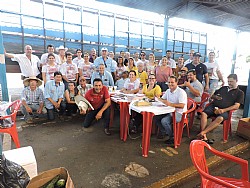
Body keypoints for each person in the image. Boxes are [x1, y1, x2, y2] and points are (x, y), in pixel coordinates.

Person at [197, 74, 244, 143]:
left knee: (220, 118)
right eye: (228, 81)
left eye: (231, 81)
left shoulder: (240, 93)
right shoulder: (223, 88)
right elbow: (212, 96)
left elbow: (236, 106)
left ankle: (203, 132)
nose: (229, 83)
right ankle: (204, 134)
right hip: (214, 106)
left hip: (225, 110)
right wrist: (216, 97)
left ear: (236, 81)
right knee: (203, 113)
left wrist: (223, 110)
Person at [154, 76, 187, 144]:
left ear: (176, 82)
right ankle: (165, 131)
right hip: (169, 111)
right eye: (169, 82)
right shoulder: (168, 90)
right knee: (155, 117)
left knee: (164, 121)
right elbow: (163, 99)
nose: (170, 84)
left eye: (172, 82)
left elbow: (182, 105)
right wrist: (158, 98)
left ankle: (172, 137)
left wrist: (170, 104)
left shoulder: (181, 92)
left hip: (180, 113)